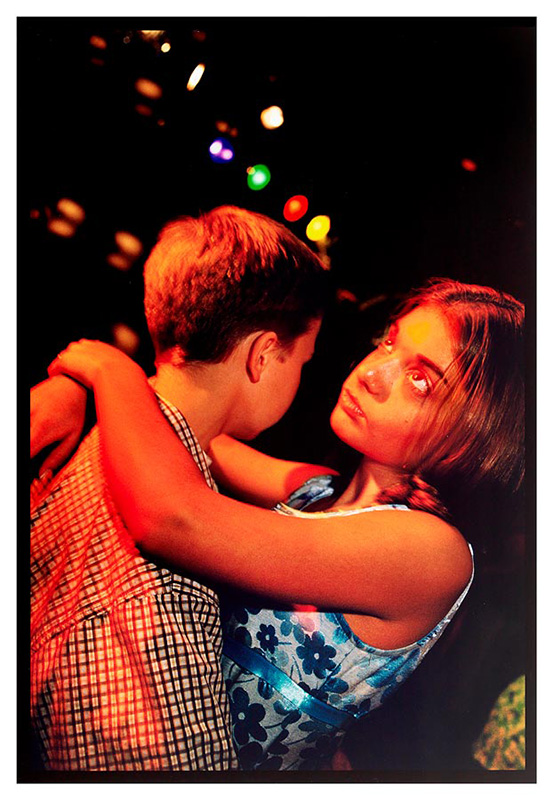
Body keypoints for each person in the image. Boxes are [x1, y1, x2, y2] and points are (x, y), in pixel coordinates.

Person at [39, 278, 524, 771]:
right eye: (389, 342)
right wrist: (72, 390)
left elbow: (173, 517)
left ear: (478, 431)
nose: (373, 373)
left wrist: (106, 369)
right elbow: (184, 421)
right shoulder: (318, 490)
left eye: (421, 379)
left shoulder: (431, 550)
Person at [29, 205, 329, 771]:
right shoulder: (176, 575)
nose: (300, 378)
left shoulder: (79, 438)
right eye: (303, 362)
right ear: (263, 356)